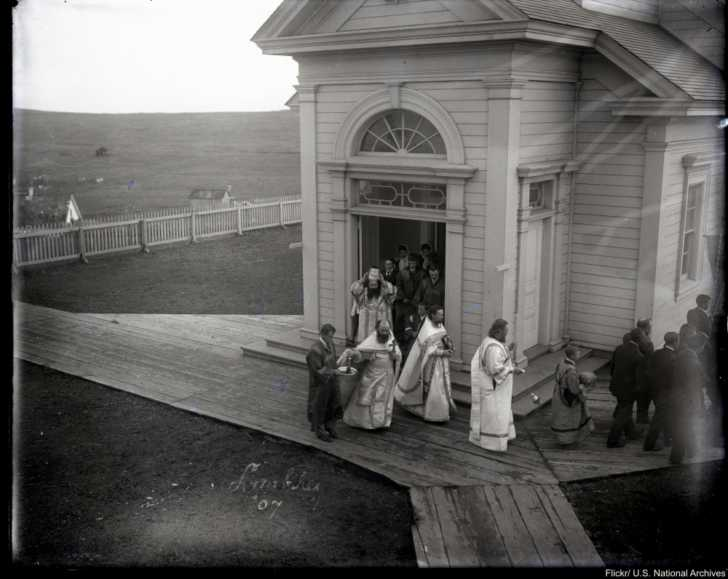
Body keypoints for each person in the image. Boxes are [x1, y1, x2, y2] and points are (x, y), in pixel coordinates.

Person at [469, 319, 525, 452]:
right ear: (497, 332)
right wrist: (513, 369)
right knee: (496, 415)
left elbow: (497, 357)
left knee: (500, 412)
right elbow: (494, 369)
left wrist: (507, 349)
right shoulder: (493, 347)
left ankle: (503, 436)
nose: (506, 335)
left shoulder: (489, 341)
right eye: (505, 333)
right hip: (494, 388)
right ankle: (493, 442)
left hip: (495, 387)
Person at [394, 305, 457, 422]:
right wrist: (442, 352)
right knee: (434, 387)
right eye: (440, 314)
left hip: (441, 362)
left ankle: (442, 411)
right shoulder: (427, 330)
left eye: (442, 314)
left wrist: (449, 346)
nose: (442, 316)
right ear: (433, 315)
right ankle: (433, 413)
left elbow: (443, 337)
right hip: (431, 363)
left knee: (442, 386)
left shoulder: (440, 325)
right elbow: (427, 349)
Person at [337, 320, 402, 430]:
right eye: (382, 330)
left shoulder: (391, 341)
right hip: (371, 374)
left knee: (382, 398)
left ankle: (380, 422)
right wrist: (353, 353)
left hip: (386, 375)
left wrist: (393, 353)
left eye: (387, 330)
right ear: (377, 330)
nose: (385, 333)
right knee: (367, 397)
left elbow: (398, 357)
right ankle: (365, 422)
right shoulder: (371, 342)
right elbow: (361, 355)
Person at [670, 334, 709, 464]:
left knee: (685, 425)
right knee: (684, 427)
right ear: (700, 346)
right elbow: (697, 384)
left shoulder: (681, 355)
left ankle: (691, 450)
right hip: (687, 399)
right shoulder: (694, 362)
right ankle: (676, 457)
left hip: (676, 396)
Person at [606, 328, 644, 448]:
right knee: (624, 412)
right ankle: (612, 439)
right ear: (640, 339)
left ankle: (631, 432)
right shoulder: (638, 356)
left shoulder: (619, 348)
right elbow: (639, 379)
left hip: (616, 386)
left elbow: (612, 368)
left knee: (623, 408)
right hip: (628, 390)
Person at [305, 324, 343, 442]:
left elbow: (333, 361)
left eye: (332, 336)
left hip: (331, 381)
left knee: (333, 403)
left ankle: (329, 426)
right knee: (320, 406)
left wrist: (337, 370)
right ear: (322, 334)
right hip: (320, 384)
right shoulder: (314, 350)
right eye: (330, 336)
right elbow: (317, 370)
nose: (332, 339)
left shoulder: (330, 344)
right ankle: (320, 430)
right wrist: (333, 371)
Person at [550, 345, 595, 446]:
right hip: (566, 397)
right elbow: (574, 389)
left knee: (560, 416)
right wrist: (583, 387)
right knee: (568, 418)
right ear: (572, 355)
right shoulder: (571, 370)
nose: (579, 354)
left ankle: (561, 438)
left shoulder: (561, 363)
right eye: (578, 353)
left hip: (558, 393)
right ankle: (567, 441)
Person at [643, 332, 679, 451]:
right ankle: (649, 444)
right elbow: (673, 378)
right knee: (658, 418)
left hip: (654, 390)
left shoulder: (657, 353)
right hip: (666, 392)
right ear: (675, 342)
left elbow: (649, 371)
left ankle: (668, 440)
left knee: (667, 415)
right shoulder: (674, 358)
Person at [349, 267, 397, 344]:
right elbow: (353, 290)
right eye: (371, 284)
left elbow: (393, 293)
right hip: (365, 334)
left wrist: (383, 281)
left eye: (375, 284)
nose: (373, 285)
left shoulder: (384, 290)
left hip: (381, 334)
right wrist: (362, 280)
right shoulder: (363, 291)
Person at [394, 254, 423, 337]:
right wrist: (403, 298)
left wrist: (415, 299)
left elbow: (421, 287)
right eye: (410, 262)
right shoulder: (402, 273)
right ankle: (399, 339)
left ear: (416, 263)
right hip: (402, 302)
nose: (412, 264)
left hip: (415, 303)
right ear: (408, 262)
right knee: (399, 320)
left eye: (414, 262)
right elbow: (398, 286)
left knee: (412, 321)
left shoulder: (421, 273)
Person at [635, 318, 655, 425]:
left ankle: (640, 417)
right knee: (645, 397)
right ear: (646, 327)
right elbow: (649, 361)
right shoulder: (647, 342)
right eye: (650, 326)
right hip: (643, 374)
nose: (651, 328)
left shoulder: (632, 336)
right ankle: (642, 419)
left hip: (634, 373)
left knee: (639, 399)